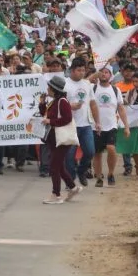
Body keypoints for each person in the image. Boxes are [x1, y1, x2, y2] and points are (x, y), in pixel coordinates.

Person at [41, 75, 81, 204]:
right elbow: (45, 114)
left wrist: (50, 121)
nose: (47, 89)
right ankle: (73, 187)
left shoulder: (62, 101)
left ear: (53, 89)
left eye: (49, 87)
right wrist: (42, 104)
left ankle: (56, 195)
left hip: (61, 139)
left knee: (54, 167)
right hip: (55, 139)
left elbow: (67, 118)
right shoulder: (54, 101)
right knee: (59, 166)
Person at [91, 66, 128, 187]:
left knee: (111, 148)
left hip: (111, 125)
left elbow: (121, 108)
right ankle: (98, 177)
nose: (104, 74)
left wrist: (126, 126)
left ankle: (111, 173)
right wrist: (95, 74)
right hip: (95, 126)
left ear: (110, 75)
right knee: (97, 153)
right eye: (101, 72)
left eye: (106, 72)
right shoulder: (93, 88)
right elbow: (85, 82)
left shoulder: (115, 90)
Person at [64, 57, 99, 186]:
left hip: (85, 125)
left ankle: (81, 171)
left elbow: (93, 104)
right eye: (79, 70)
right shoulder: (65, 84)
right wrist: (70, 106)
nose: (81, 73)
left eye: (83, 70)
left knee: (90, 151)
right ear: (72, 70)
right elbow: (57, 103)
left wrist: (97, 122)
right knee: (69, 157)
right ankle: (70, 181)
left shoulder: (86, 84)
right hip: (70, 125)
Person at [116, 73, 138, 181]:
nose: (135, 84)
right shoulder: (130, 92)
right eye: (133, 81)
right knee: (133, 147)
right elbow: (126, 104)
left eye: (137, 81)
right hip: (133, 122)